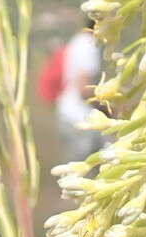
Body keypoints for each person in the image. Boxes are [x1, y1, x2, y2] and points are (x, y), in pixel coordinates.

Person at [38, 23, 103, 163]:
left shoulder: (77, 40)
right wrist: (108, 106)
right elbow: (84, 88)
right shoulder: (89, 44)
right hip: (81, 118)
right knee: (88, 171)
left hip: (66, 114)